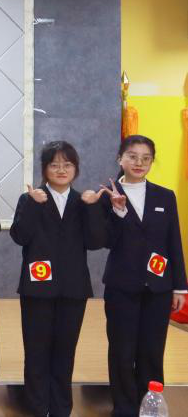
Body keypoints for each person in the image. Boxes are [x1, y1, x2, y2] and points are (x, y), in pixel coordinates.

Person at [9, 141, 107, 417]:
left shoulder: (84, 201)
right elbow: (20, 236)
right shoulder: (30, 198)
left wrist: (92, 208)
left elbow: (96, 241)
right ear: (44, 169)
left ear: (76, 168)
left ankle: (62, 409)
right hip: (37, 289)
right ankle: (36, 408)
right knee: (36, 353)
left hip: (73, 290)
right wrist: (33, 204)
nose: (61, 170)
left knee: (65, 353)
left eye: (67, 164)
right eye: (54, 164)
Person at [101, 135, 187, 417]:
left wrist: (180, 287)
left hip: (158, 288)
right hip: (121, 287)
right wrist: (118, 211)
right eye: (132, 156)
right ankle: (124, 408)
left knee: (152, 351)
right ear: (120, 159)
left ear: (151, 161)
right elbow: (104, 241)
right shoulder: (107, 196)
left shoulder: (165, 196)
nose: (139, 162)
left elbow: (173, 242)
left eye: (145, 158)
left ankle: (149, 407)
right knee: (122, 351)